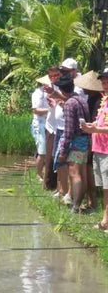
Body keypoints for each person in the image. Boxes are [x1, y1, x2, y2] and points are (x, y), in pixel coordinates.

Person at [54, 73, 90, 213]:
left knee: (75, 174)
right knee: (80, 173)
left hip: (75, 142)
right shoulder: (81, 100)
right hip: (85, 140)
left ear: (62, 90)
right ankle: (78, 203)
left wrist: (63, 152)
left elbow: (68, 131)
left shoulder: (70, 104)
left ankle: (75, 206)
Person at [81, 68, 108, 228]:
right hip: (99, 148)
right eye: (103, 82)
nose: (105, 84)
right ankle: (105, 219)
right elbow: (102, 123)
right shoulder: (104, 100)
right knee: (105, 187)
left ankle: (106, 220)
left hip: (107, 150)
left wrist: (96, 130)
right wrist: (92, 126)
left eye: (107, 82)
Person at [41, 67, 62, 191]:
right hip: (51, 125)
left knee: (59, 158)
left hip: (61, 126)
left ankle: (60, 187)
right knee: (49, 157)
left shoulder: (64, 87)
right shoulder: (48, 88)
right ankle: (48, 185)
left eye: (56, 75)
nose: (53, 78)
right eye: (51, 76)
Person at [30, 80, 49, 183]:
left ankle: (45, 174)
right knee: (42, 152)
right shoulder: (37, 93)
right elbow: (36, 110)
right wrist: (50, 110)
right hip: (40, 125)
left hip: (49, 125)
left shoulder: (54, 92)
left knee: (47, 152)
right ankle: (39, 175)